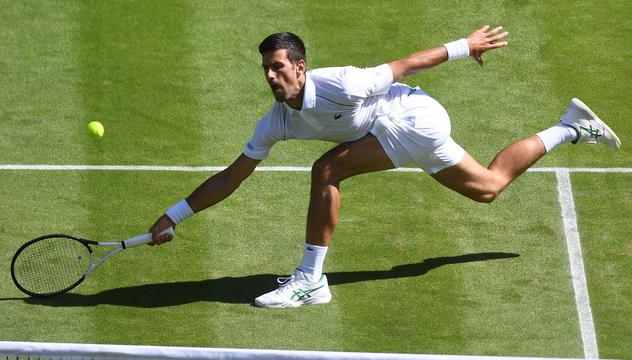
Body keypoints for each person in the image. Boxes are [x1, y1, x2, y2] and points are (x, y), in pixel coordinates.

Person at [148, 25, 621, 308]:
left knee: (326, 170)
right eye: (266, 70)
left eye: (278, 66)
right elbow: (233, 176)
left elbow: (408, 64)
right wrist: (175, 214)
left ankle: (311, 281)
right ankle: (571, 128)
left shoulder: (345, 84)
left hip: (412, 117)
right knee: (488, 186)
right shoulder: (275, 123)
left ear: (301, 66)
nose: (271, 76)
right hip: (405, 133)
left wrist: (465, 44)